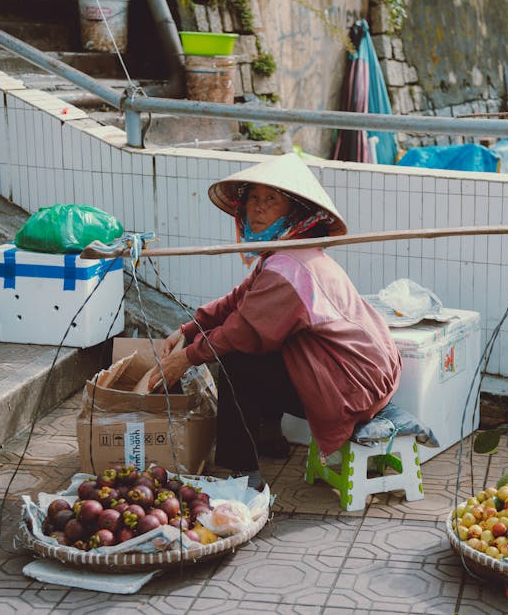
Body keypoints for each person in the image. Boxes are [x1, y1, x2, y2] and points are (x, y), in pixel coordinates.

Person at [142, 153, 402, 489]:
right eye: (253, 198)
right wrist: (188, 328)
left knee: (236, 360)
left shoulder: (288, 269)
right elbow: (239, 298)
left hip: (353, 386)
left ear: (293, 212)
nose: (259, 208)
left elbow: (242, 331)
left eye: (272, 200)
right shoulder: (284, 253)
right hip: (359, 373)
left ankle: (242, 475)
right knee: (257, 344)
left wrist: (186, 357)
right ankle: (268, 437)